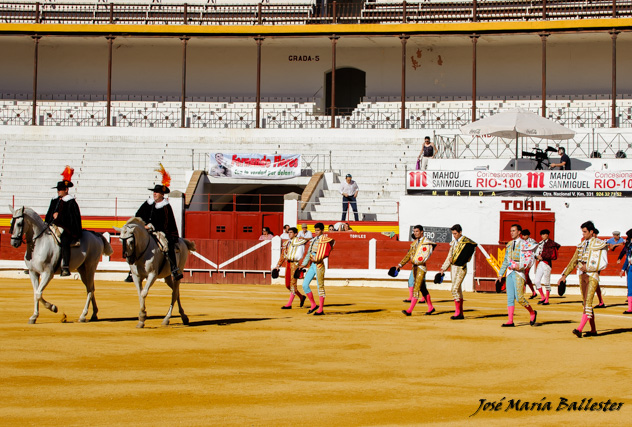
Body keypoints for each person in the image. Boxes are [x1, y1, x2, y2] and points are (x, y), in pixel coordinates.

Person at [558, 221, 608, 338]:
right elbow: (573, 260)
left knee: (588, 302)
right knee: (586, 302)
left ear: (591, 232)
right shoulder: (581, 245)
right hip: (582, 275)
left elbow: (604, 263)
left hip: (592, 275)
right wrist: (564, 275)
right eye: (582, 232)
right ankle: (593, 330)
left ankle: (580, 329)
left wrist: (589, 267)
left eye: (585, 232)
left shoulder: (600, 244)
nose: (583, 234)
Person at [136, 164, 183, 281]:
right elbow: (138, 214)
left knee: (168, 246)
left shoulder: (166, 206)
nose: (154, 194)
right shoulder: (148, 203)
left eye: (157, 192)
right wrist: (142, 225)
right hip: (146, 229)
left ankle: (174, 269)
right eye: (154, 192)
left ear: (162, 194)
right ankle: (132, 271)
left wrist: (151, 226)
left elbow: (166, 223)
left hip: (162, 231)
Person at [497, 224, 538, 327]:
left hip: (519, 272)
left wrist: (522, 267)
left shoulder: (525, 244)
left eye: (514, 231)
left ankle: (532, 312)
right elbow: (506, 260)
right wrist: (501, 273)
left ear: (519, 232)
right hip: (510, 272)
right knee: (510, 297)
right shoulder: (510, 244)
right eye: (511, 231)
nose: (511, 232)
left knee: (519, 297)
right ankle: (510, 321)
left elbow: (530, 258)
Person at [45, 165, 83, 277]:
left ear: (66, 190)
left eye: (61, 190)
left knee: (65, 240)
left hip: (66, 227)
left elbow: (73, 218)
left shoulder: (71, 202)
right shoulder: (55, 200)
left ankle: (65, 266)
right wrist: (51, 219)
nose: (59, 192)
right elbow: (49, 213)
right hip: (53, 225)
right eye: (58, 189)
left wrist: (59, 217)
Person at [439, 224, 477, 320]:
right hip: (453, 268)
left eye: (455, 234)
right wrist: (443, 268)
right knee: (458, 290)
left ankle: (458, 312)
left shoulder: (466, 243)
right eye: (453, 234)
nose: (454, 236)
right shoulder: (453, 243)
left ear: (460, 232)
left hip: (461, 268)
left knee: (454, 289)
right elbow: (449, 257)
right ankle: (460, 313)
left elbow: (467, 256)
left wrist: (456, 260)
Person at [398, 225, 436, 316]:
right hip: (414, 267)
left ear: (422, 232)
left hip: (421, 267)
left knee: (416, 287)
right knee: (423, 289)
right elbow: (408, 255)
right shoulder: (414, 243)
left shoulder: (427, 243)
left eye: (417, 231)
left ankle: (409, 310)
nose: (415, 233)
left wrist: (416, 262)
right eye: (414, 231)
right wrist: (400, 265)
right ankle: (431, 307)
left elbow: (425, 256)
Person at [301, 223, 335, 315]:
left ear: (322, 230)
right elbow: (309, 253)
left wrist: (317, 258)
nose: (316, 232)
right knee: (304, 285)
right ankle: (313, 305)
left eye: (318, 230)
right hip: (312, 265)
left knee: (320, 286)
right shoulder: (313, 240)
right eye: (315, 230)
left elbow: (326, 251)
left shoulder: (324, 240)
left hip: (319, 264)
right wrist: (303, 264)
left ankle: (320, 309)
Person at [274, 227, 308, 309]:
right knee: (288, 285)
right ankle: (301, 297)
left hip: (295, 264)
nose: (289, 234)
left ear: (296, 234)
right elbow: (283, 255)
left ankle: (289, 304)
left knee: (293, 284)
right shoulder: (286, 243)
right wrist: (278, 265)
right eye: (288, 232)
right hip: (288, 264)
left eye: (291, 232)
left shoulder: (299, 242)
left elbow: (301, 253)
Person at [534, 229, 561, 305]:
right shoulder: (540, 243)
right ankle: (542, 297)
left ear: (547, 235)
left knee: (546, 282)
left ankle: (547, 299)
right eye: (542, 234)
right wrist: (537, 257)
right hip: (540, 264)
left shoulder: (551, 244)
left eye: (544, 234)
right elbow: (536, 254)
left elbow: (553, 255)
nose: (543, 236)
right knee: (536, 281)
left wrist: (542, 257)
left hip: (547, 264)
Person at [520, 229, 538, 299]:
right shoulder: (522, 241)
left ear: (528, 235)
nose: (523, 237)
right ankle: (533, 292)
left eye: (524, 235)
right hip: (523, 260)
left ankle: (521, 292)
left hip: (529, 260)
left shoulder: (532, 242)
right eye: (522, 235)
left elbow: (536, 249)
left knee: (525, 275)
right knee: (526, 276)